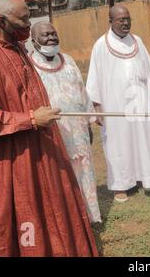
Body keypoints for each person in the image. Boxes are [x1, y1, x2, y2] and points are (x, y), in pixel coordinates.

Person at [0, 0, 98, 256]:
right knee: (17, 216)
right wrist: (32, 118)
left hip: (34, 147)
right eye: (23, 20)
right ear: (1, 22)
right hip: (6, 158)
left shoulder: (19, 48)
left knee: (45, 205)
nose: (28, 24)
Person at [86, 4, 150, 202]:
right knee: (118, 143)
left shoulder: (137, 41)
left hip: (140, 100)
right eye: (121, 20)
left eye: (128, 19)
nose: (125, 23)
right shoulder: (100, 45)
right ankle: (121, 185)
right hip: (114, 104)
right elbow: (93, 79)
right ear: (111, 21)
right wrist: (97, 107)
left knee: (145, 138)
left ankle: (147, 176)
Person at [30, 21, 101, 223]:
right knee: (58, 177)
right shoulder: (29, 67)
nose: (51, 37)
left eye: (53, 33)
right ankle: (67, 220)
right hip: (52, 135)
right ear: (34, 42)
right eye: (45, 35)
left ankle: (88, 216)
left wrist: (88, 123)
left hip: (78, 133)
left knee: (84, 172)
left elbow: (82, 92)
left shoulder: (68, 60)